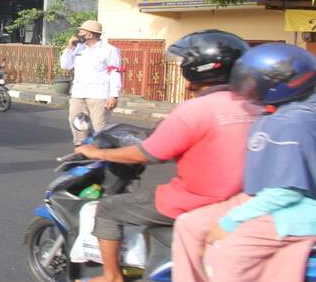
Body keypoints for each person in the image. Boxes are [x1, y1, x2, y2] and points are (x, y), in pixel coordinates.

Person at [74, 30, 254, 282]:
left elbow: (149, 153)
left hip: (196, 201)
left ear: (197, 68)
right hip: (242, 200)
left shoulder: (193, 110)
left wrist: (97, 152)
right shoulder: (254, 106)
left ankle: (111, 276)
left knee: (108, 208)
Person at [172, 44, 316, 282]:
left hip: (298, 207)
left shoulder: (293, 122)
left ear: (276, 85)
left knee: (228, 252)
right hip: (264, 196)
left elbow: (285, 193)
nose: (246, 86)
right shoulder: (275, 111)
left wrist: (230, 222)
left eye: (252, 81)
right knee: (189, 224)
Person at [59, 20, 123, 145]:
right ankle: (81, 148)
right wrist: (70, 47)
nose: (78, 34)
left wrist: (113, 95)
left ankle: (103, 154)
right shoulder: (79, 48)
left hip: (98, 95)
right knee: (77, 123)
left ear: (90, 35)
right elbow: (65, 65)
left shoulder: (109, 50)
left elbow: (115, 73)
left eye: (81, 31)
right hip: (78, 93)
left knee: (100, 127)